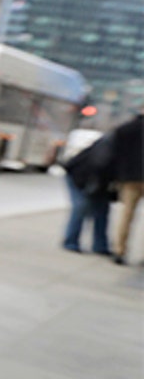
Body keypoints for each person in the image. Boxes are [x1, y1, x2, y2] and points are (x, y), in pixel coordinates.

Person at [62, 127, 116, 257]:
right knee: (81, 206)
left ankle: (100, 246)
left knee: (102, 211)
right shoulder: (113, 144)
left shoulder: (117, 142)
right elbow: (98, 164)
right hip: (82, 177)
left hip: (97, 180)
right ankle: (71, 241)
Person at [107, 109, 144, 265]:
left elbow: (115, 152)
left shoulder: (127, 128)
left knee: (126, 215)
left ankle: (119, 250)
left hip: (129, 179)